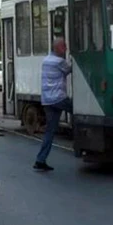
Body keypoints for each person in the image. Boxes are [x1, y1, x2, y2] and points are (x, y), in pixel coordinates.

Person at [34, 38, 72, 171]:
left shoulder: (46, 60)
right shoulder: (59, 61)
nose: (65, 49)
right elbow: (70, 70)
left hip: (47, 100)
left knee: (49, 132)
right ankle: (84, 143)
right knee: (81, 112)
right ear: (57, 48)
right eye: (64, 47)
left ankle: (40, 160)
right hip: (59, 99)